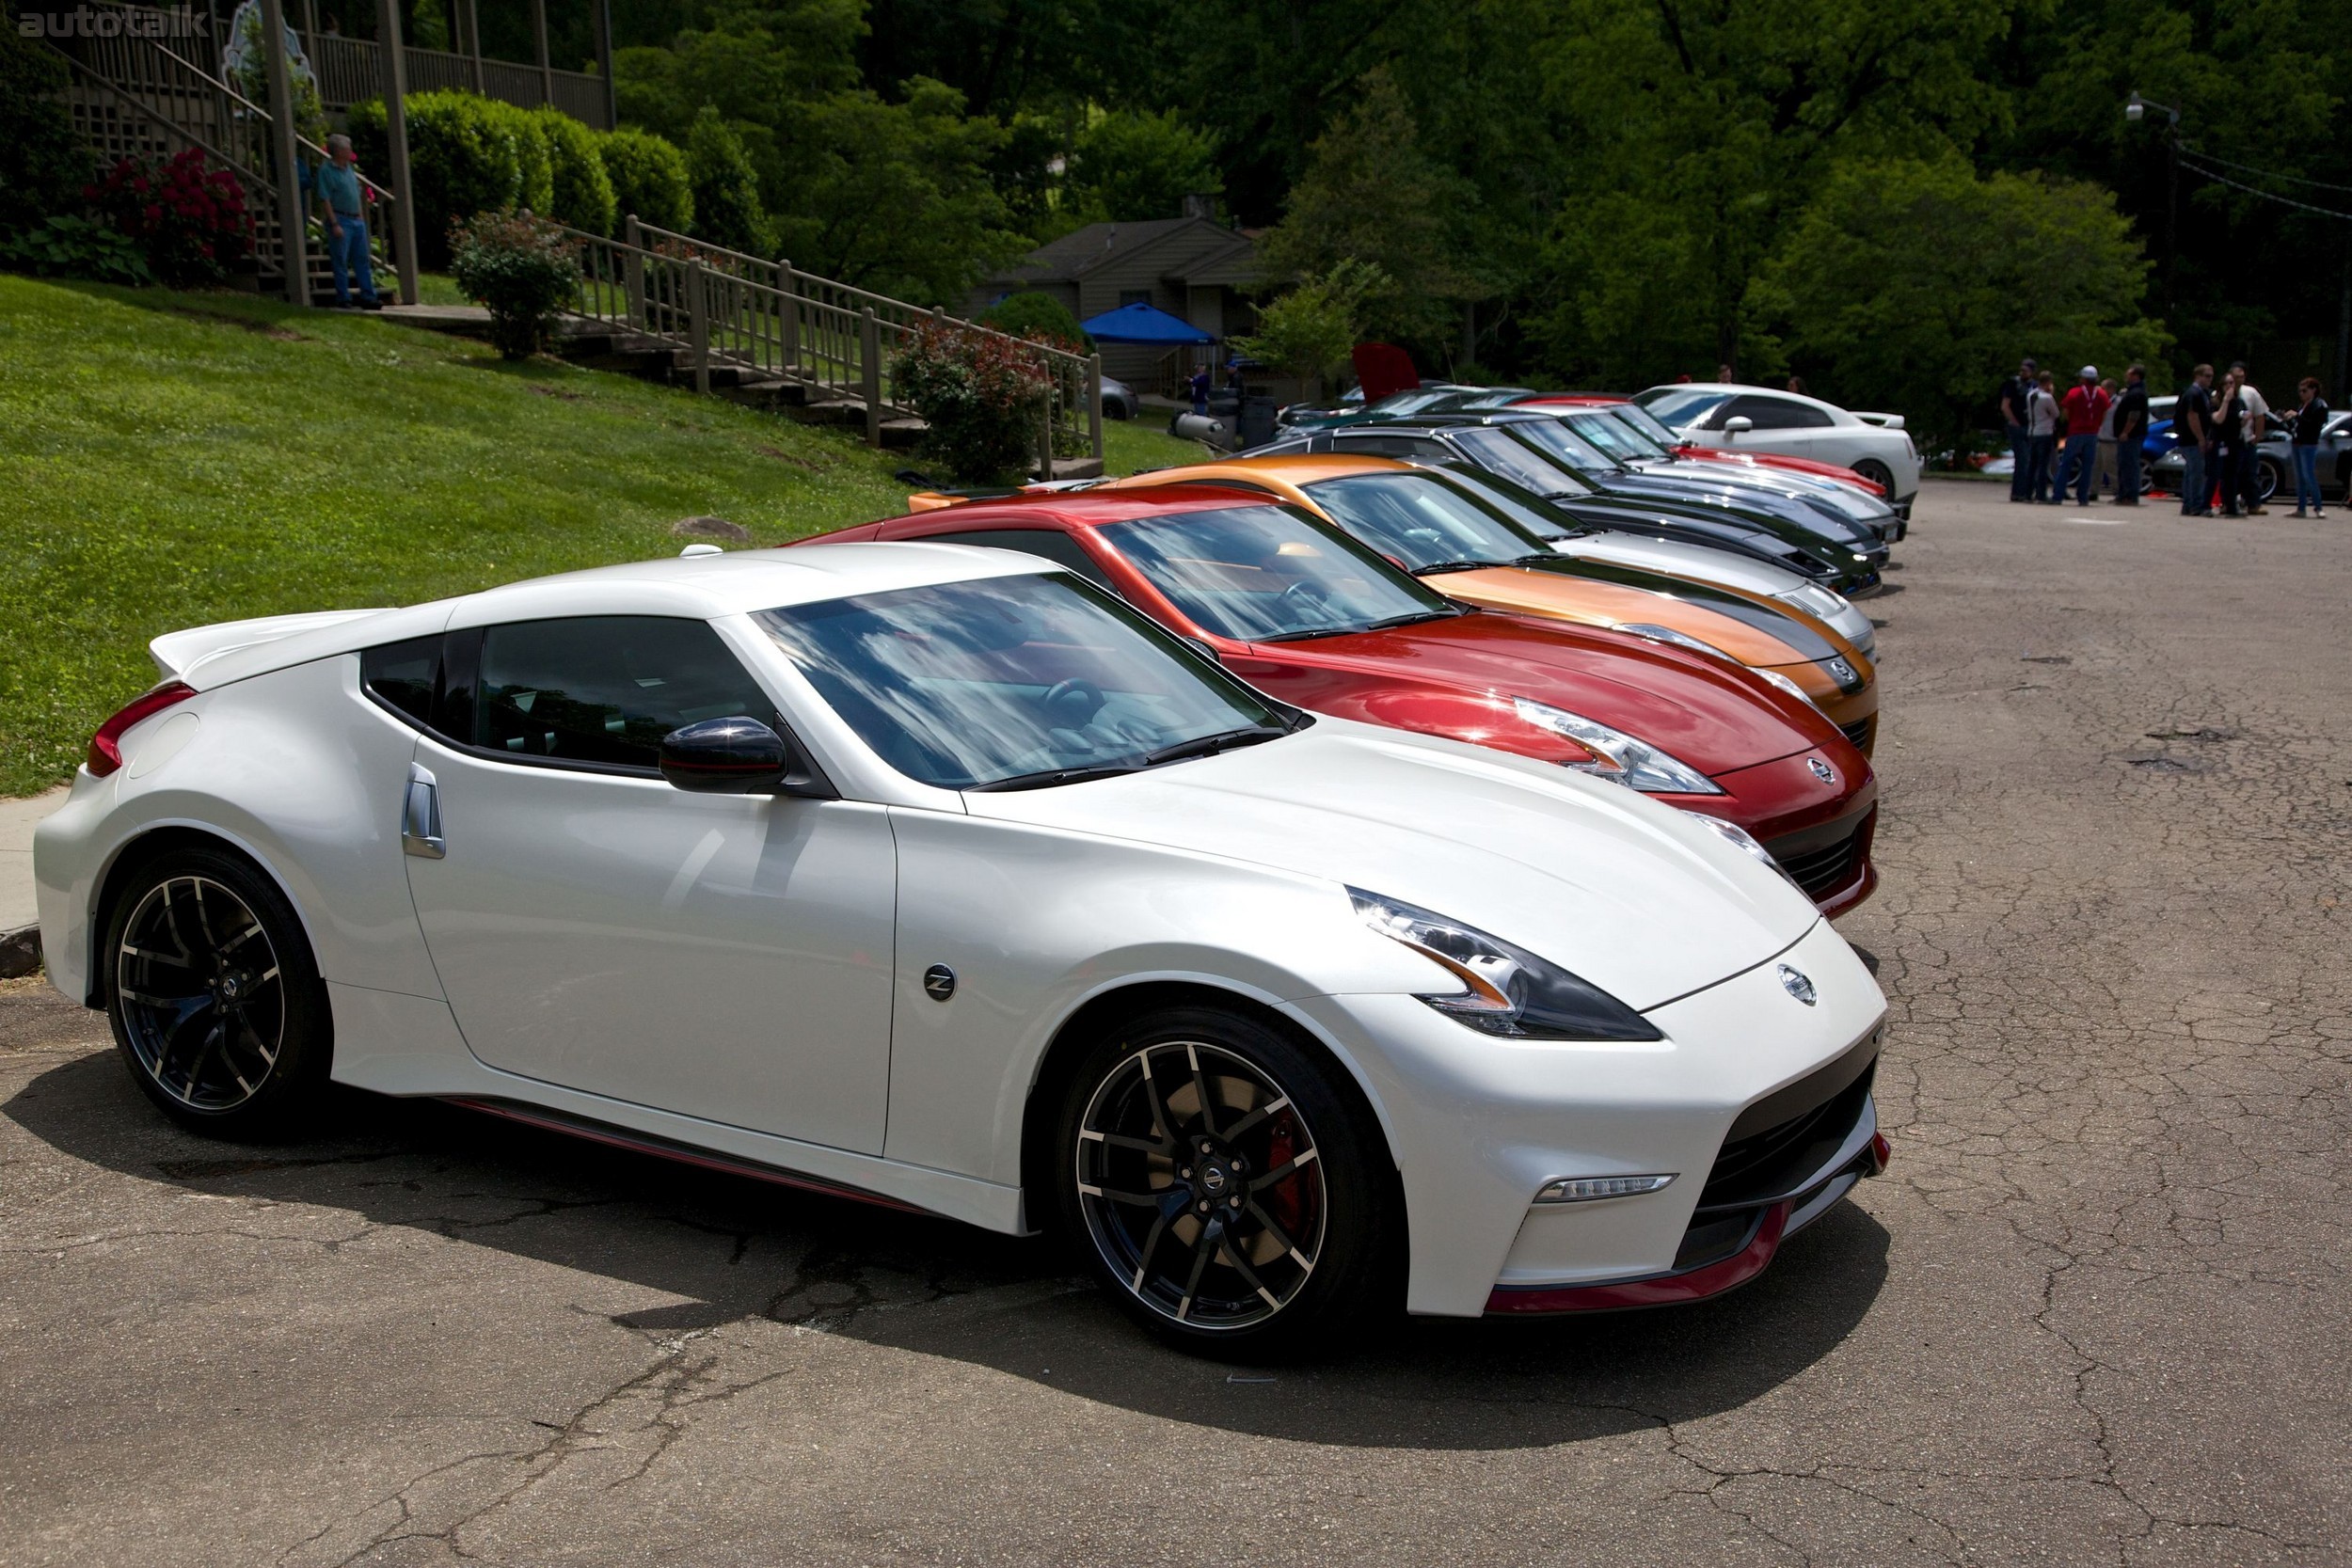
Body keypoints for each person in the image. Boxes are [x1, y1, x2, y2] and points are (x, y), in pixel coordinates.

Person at [314, 134, 379, 309]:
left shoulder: (349, 168)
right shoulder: (326, 170)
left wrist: (360, 216)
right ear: (339, 151)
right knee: (341, 260)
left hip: (356, 219)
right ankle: (343, 297)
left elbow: (355, 194)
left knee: (362, 259)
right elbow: (325, 197)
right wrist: (334, 223)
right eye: (347, 148)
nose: (350, 151)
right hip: (340, 218)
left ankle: (368, 296)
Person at [2056, 364, 2109, 506]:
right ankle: (2083, 496)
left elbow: (2066, 412)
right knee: (2087, 466)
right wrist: (2097, 425)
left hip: (2075, 432)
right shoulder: (2101, 394)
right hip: (2092, 433)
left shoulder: (2074, 392)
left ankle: (2058, 495)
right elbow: (2105, 412)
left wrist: (2072, 421)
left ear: (2083, 378)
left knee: (2066, 464)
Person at [2230, 361, 2271, 515]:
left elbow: (2260, 416)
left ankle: (2253, 504)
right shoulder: (2222, 393)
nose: (2239, 379)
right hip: (2230, 440)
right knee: (2231, 473)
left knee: (2251, 473)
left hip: (2247, 439)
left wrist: (2257, 436)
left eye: (2241, 376)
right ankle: (2228, 503)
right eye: (2235, 377)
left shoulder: (2251, 393)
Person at [2177, 364, 2215, 516]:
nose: (2210, 379)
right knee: (2197, 473)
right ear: (2197, 376)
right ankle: (2195, 505)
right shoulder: (2194, 393)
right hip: (2192, 440)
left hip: (2191, 439)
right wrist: (2201, 438)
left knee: (2191, 472)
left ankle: (2188, 504)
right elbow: (2192, 416)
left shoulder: (2202, 393)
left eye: (2211, 376)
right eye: (2206, 376)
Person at [2289, 376, 2329, 517]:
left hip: (2309, 444)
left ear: (2313, 390)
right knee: (2299, 476)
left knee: (2308, 475)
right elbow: (2300, 424)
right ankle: (2301, 508)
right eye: (2300, 391)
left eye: (2304, 391)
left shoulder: (2319, 405)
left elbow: (2315, 424)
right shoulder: (2303, 405)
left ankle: (2318, 507)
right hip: (2297, 442)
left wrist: (2298, 417)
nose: (2302, 394)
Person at [1999, 356, 2038, 502]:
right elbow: (2005, 405)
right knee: (2022, 460)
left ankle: (2027, 491)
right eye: (2021, 370)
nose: (2023, 373)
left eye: (2026, 370)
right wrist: (2013, 421)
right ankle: (2018, 492)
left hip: (2030, 425)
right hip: (2017, 425)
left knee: (2029, 460)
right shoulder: (2013, 384)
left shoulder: (2034, 386)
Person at [2109, 364, 2148, 506]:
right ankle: (2123, 494)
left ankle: (2130, 495)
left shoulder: (2137, 393)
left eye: (2129, 374)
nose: (2126, 376)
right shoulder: (2131, 392)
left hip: (2132, 436)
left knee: (2129, 465)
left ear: (2136, 376)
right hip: (2128, 435)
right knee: (2123, 465)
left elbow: (2134, 415)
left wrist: (2126, 431)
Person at [2212, 368, 2248, 518]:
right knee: (2221, 475)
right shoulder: (2216, 401)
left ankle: (2231, 504)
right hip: (2221, 442)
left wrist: (2246, 419)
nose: (2229, 386)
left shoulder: (2239, 401)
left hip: (2236, 442)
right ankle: (2224, 504)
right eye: (2226, 383)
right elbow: (2218, 419)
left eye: (2231, 383)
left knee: (2233, 475)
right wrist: (2226, 400)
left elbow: (2242, 420)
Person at [2026, 370, 2060, 503]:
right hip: (2045, 432)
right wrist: (2051, 393)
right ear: (2049, 383)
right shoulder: (2047, 398)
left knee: (2032, 465)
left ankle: (2028, 492)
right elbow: (2056, 414)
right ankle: (2041, 494)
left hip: (2032, 431)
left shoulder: (2030, 395)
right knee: (2042, 465)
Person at [2094, 376, 2120, 497]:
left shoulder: (2118, 403)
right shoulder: (2100, 401)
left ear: (2110, 389)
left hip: (2111, 439)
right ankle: (2092, 491)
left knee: (2111, 466)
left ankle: (2118, 490)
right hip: (2099, 437)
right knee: (2095, 466)